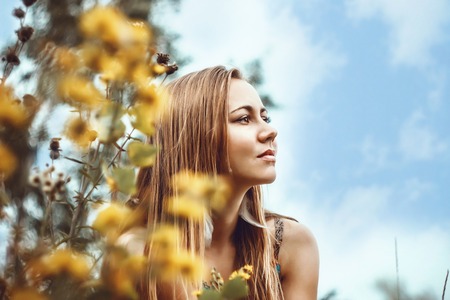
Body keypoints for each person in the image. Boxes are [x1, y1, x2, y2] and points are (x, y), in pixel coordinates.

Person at [126, 66, 319, 299]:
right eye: (244, 119)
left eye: (265, 118)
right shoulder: (139, 254)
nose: (270, 131)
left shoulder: (289, 244)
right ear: (196, 138)